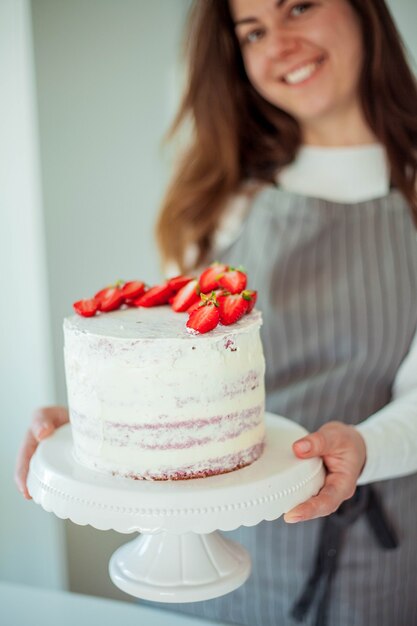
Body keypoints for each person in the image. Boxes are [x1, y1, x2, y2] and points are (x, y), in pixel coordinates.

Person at [15, 0, 417, 624]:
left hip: (372, 535)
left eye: (299, 8)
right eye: (254, 31)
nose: (279, 44)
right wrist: (108, 428)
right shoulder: (226, 195)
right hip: (211, 543)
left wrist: (362, 446)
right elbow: (174, 359)